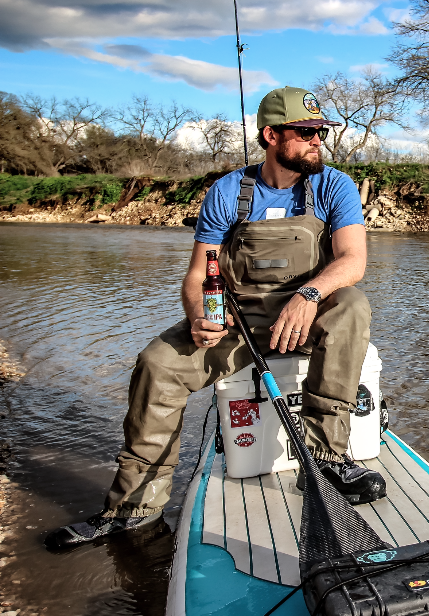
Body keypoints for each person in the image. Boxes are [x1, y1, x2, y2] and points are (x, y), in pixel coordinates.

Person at [46, 86, 385, 548]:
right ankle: (134, 508)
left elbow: (352, 261)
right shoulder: (227, 191)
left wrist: (308, 294)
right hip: (237, 324)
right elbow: (196, 275)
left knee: (352, 304)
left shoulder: (334, 185)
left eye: (320, 132)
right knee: (157, 365)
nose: (317, 141)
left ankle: (325, 460)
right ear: (270, 135)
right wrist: (197, 316)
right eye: (305, 132)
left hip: (308, 318)